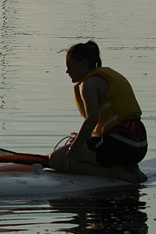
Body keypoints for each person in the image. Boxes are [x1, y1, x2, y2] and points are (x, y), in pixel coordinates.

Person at [49, 40, 148, 183]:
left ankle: (114, 173)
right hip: (139, 146)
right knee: (82, 143)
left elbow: (92, 119)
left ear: (84, 64)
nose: (67, 71)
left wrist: (74, 151)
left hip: (121, 145)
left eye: (70, 66)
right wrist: (82, 139)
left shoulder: (89, 84)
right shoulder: (108, 75)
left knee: (56, 160)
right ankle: (130, 167)